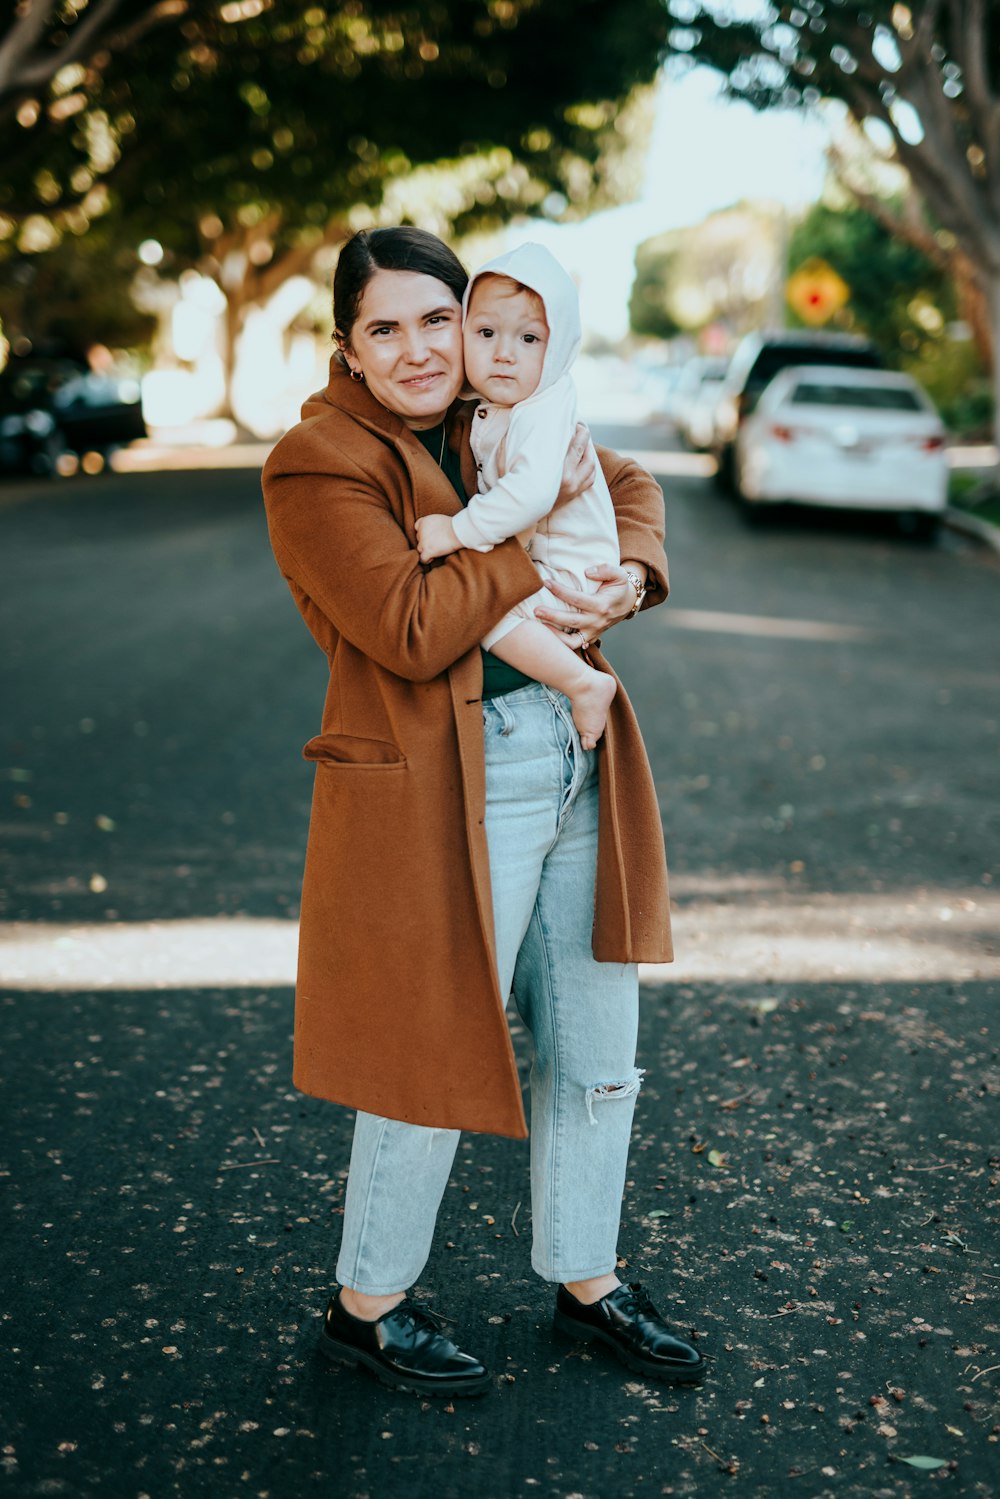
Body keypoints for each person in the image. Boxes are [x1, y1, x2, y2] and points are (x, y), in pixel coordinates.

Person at [261, 226, 704, 1399]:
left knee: (598, 1044)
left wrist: (630, 571)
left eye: (437, 319)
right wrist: (531, 564)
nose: (419, 348)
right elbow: (408, 620)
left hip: (576, 753)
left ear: (475, 319)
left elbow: (625, 484)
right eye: (385, 327)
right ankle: (368, 1306)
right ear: (349, 348)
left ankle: (587, 1277)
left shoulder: (498, 406)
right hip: (448, 779)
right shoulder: (318, 461)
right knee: (432, 1046)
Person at [414, 243, 620, 750]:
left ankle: (584, 683)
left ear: (559, 348)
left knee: (482, 609)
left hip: (570, 574)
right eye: (485, 334)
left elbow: (530, 495)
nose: (503, 354)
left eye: (529, 338)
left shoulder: (543, 408)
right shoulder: (497, 402)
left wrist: (453, 531)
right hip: (547, 562)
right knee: (481, 597)